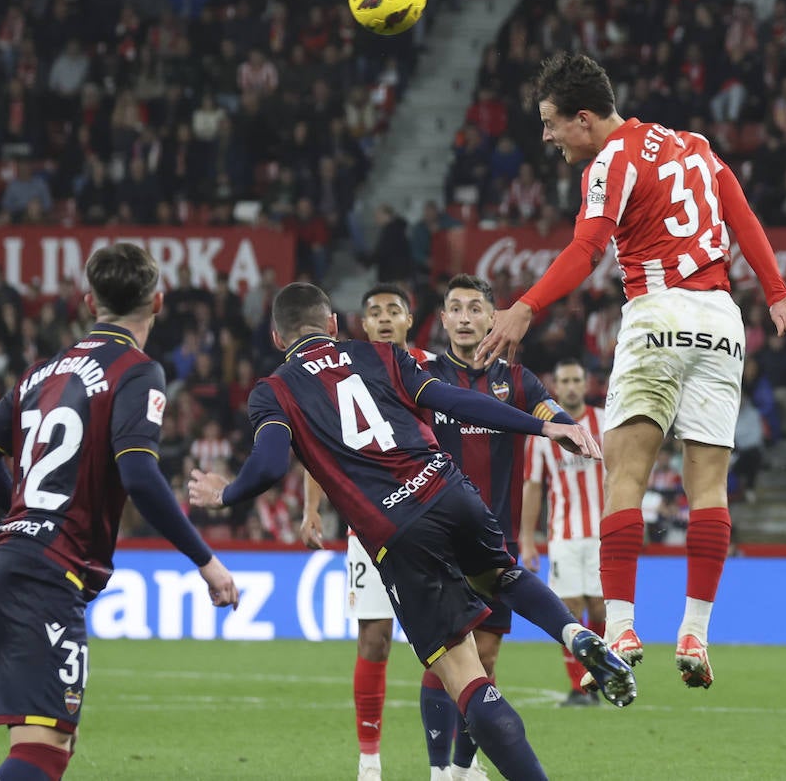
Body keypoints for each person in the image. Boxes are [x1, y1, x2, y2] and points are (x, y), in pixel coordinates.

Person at [188, 283, 635, 781]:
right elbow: (454, 399)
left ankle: (451, 771)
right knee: (502, 574)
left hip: (398, 530)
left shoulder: (274, 389)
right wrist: (545, 428)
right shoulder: (382, 355)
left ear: (276, 336)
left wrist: (224, 494)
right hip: (449, 488)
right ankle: (574, 635)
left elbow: (270, 465)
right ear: (334, 324)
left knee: (465, 677)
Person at [474, 52, 786, 688]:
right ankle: (695, 632)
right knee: (708, 488)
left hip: (657, 314)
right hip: (721, 321)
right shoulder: (694, 145)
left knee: (624, 479)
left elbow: (587, 247)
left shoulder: (612, 160)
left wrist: (525, 308)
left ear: (584, 119)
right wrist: (775, 291)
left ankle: (623, 625)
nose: (546, 137)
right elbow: (741, 215)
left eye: (551, 124)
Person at [0, 244, 240, 781]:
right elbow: (139, 474)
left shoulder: (41, 373)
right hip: (41, 573)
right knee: (41, 752)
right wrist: (207, 561)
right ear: (158, 301)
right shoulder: (137, 371)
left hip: (2, 562)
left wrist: (25, 511)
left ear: (90, 301)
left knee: (54, 742)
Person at [418, 274, 581, 779]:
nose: (465, 318)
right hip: (439, 539)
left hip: (497, 542)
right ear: (443, 319)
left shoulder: (517, 379)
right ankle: (439, 768)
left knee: (485, 658)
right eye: (455, 309)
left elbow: (548, 409)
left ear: (493, 318)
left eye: (475, 309)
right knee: (446, 657)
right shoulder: (424, 376)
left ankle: (465, 769)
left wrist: (566, 425)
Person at [297, 283, 433, 781]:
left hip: (431, 520)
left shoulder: (431, 368)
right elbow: (320, 444)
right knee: (374, 639)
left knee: (448, 639)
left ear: (408, 321)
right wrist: (313, 508)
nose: (382, 318)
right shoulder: (339, 372)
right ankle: (369, 760)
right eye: (373, 311)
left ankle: (452, 762)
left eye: (393, 310)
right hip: (368, 524)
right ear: (360, 323)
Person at [519, 358, 607, 706]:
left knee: (599, 609)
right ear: (555, 386)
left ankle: (598, 675)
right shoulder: (545, 431)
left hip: (602, 534)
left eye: (576, 380)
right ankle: (578, 687)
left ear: (586, 385)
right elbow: (533, 486)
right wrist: (528, 538)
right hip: (563, 535)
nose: (571, 386)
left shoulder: (604, 423)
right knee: (569, 608)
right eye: (564, 380)